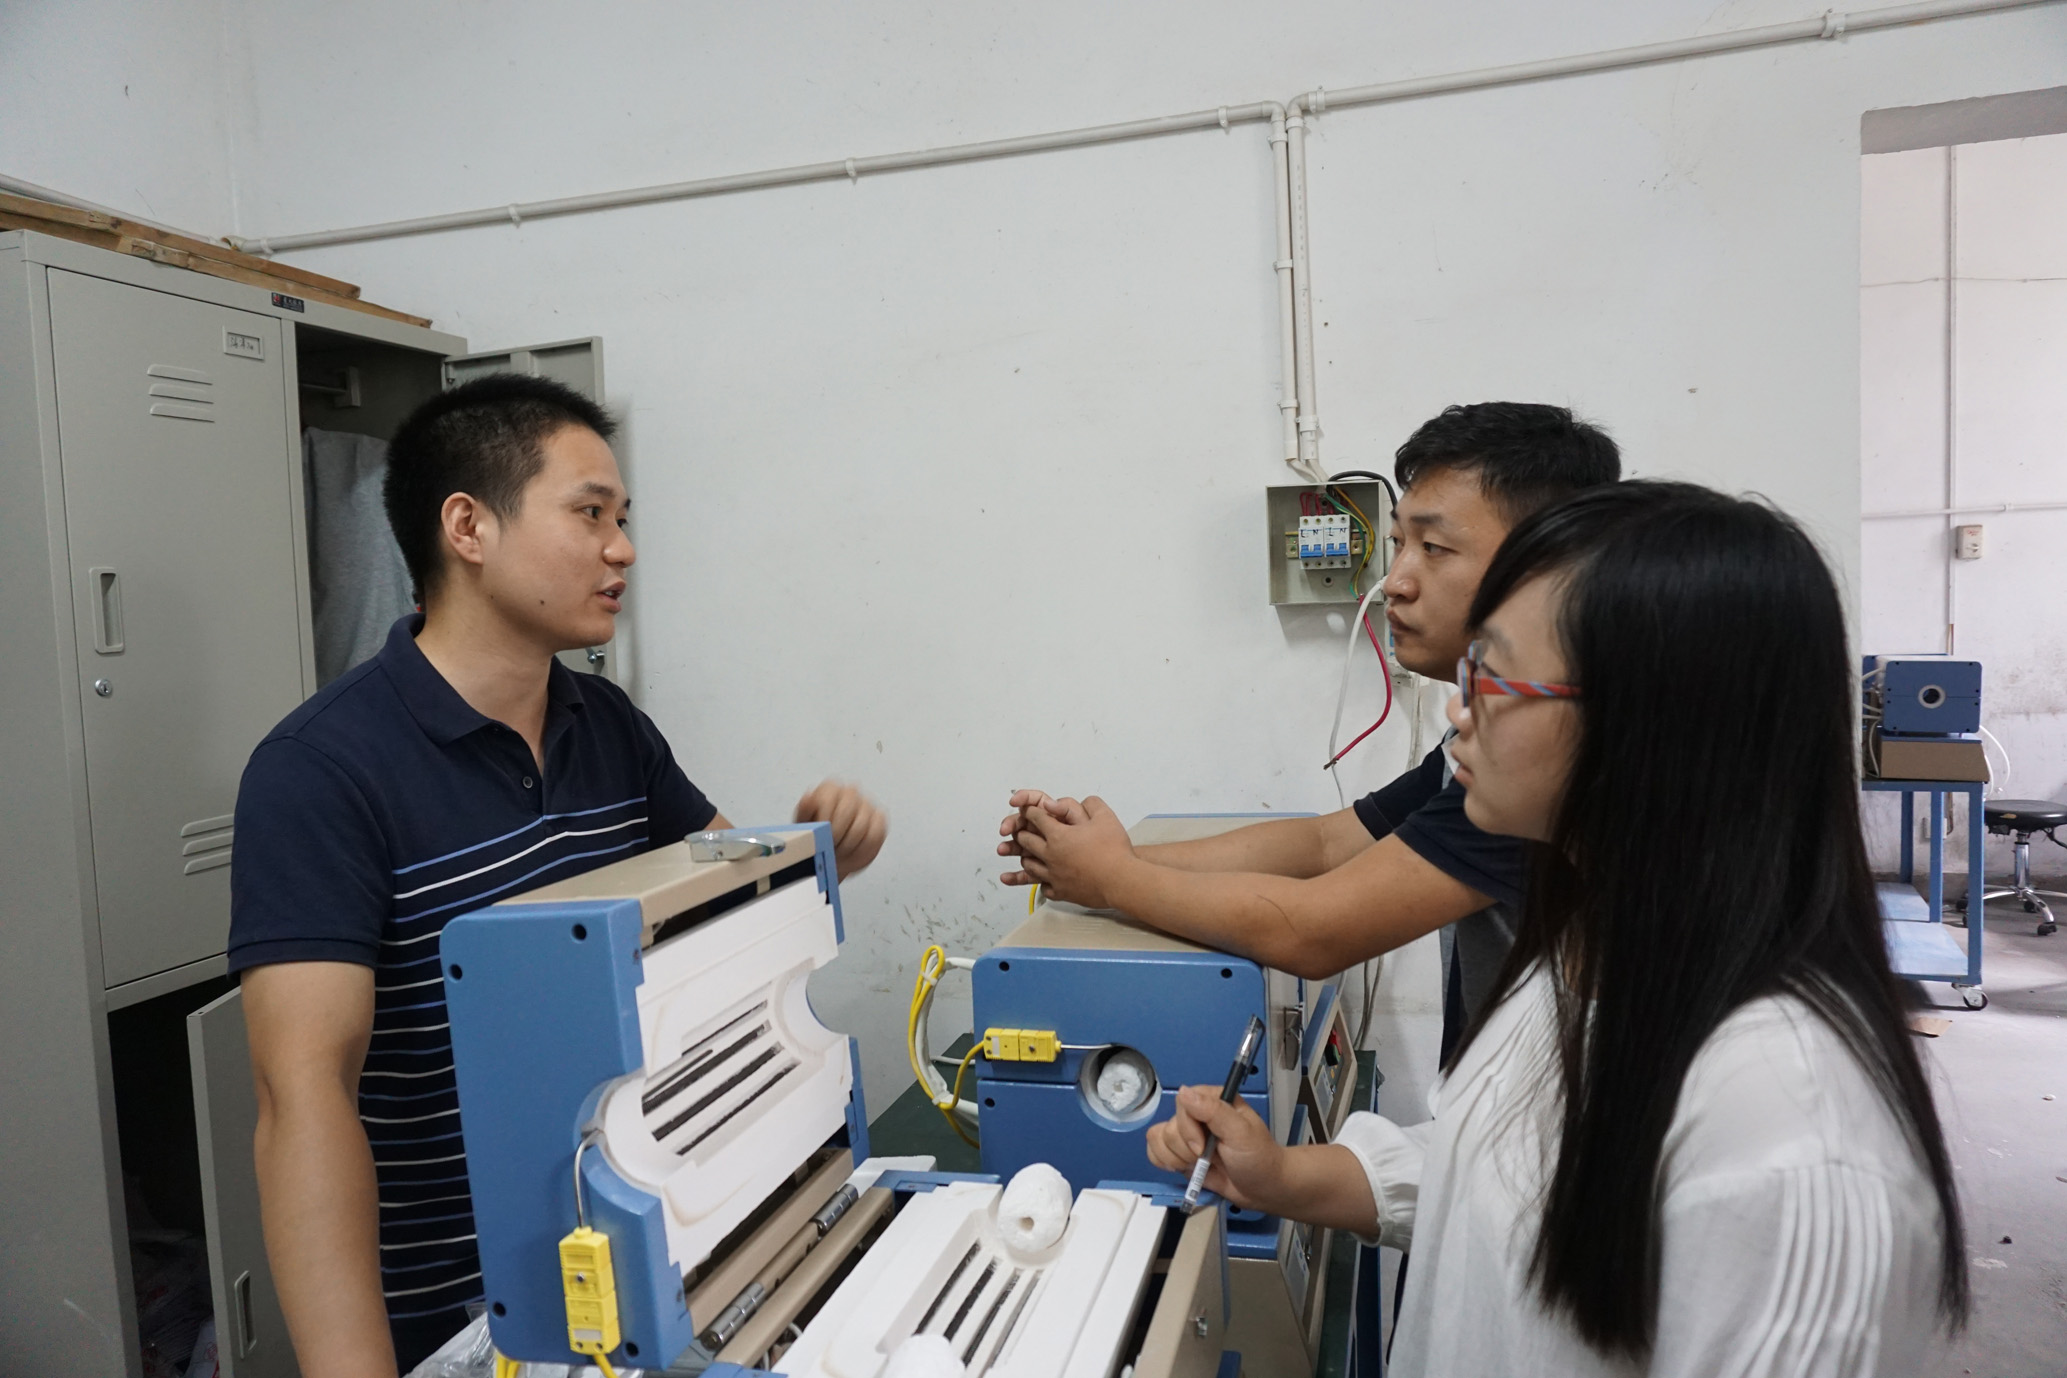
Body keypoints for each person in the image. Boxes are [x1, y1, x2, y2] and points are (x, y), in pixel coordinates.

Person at [1146, 481, 1968, 1375]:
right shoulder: (1583, 949)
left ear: (1647, 720)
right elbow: (1506, 1167)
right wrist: (1282, 1177)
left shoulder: (1791, 1140)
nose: (1458, 710)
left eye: (1491, 676)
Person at [228, 376, 888, 1377]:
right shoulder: (319, 772)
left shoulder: (606, 724)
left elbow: (728, 914)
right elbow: (302, 1099)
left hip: (647, 1260)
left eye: (623, 519)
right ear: (468, 527)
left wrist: (808, 854)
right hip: (460, 1314)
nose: (622, 549)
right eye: (589, 514)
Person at [999, 402, 1618, 1050]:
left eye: (1433, 548)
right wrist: (1095, 859)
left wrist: (1113, 880)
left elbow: (1314, 932)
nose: (1393, 583)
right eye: (1398, 544)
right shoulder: (1488, 738)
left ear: (1545, 566)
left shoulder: (1537, 762)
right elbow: (1326, 844)